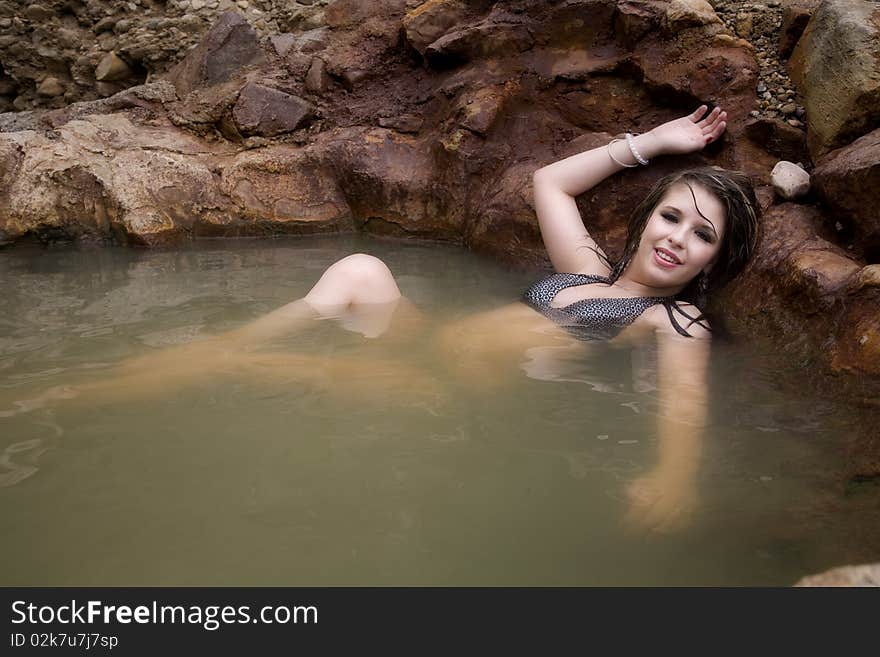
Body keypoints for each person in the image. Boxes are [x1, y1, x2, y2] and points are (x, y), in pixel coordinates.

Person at [4, 106, 761, 533]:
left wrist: (671, 475)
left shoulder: (673, 324)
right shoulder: (590, 272)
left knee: (235, 370)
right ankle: (231, 338)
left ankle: (69, 397)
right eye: (672, 216)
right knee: (364, 269)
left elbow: (683, 407)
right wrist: (652, 144)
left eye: (703, 236)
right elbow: (549, 184)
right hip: (430, 344)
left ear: (711, 264)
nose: (677, 239)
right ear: (647, 217)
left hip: (443, 392)